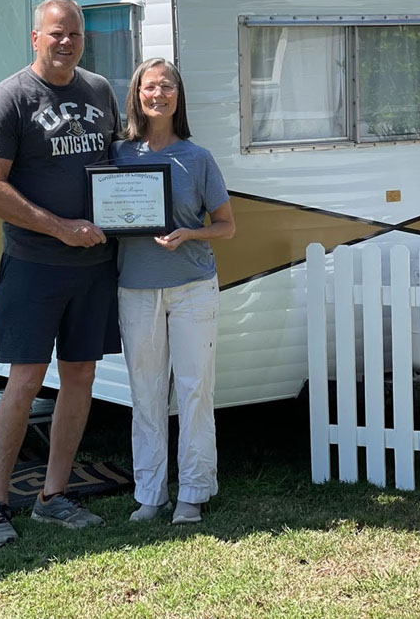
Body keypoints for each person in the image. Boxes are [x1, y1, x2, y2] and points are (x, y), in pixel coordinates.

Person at [0, 0, 121, 548]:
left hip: (94, 267)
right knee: (26, 380)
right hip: (34, 266)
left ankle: (53, 496)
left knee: (81, 375)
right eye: (56, 33)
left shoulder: (100, 90)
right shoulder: (11, 97)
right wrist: (59, 227)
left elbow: (118, 164)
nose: (65, 42)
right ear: (35, 37)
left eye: (75, 35)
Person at [113, 57, 235, 525]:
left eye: (167, 87)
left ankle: (194, 492)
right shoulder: (118, 155)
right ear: (137, 95)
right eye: (149, 87)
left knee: (194, 391)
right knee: (144, 395)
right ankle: (150, 494)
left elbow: (225, 226)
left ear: (178, 97)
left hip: (192, 288)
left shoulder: (197, 158)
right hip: (136, 289)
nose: (158, 94)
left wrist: (189, 234)